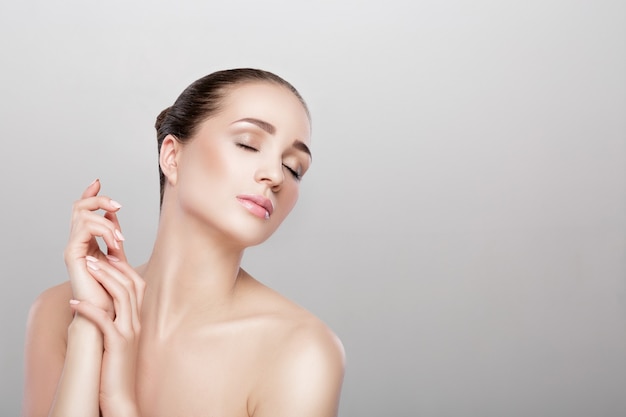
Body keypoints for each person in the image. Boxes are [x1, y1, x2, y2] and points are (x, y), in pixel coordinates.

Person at [22, 68, 345, 417]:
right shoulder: (58, 312)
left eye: (294, 167)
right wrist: (89, 329)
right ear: (172, 157)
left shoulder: (300, 351)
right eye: (248, 144)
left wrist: (120, 403)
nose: (276, 175)